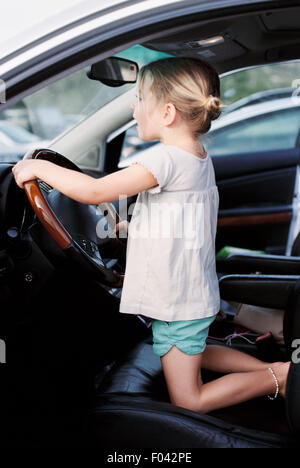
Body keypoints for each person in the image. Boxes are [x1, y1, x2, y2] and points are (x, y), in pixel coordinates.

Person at [12, 56, 290, 414]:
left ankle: (277, 379)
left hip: (177, 300)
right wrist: (132, 226)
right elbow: (180, 219)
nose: (133, 106)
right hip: (187, 292)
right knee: (194, 350)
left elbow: (95, 192)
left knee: (190, 399)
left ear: (167, 113)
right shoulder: (196, 157)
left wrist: (38, 167)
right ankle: (281, 373)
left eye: (141, 99)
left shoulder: (166, 160)